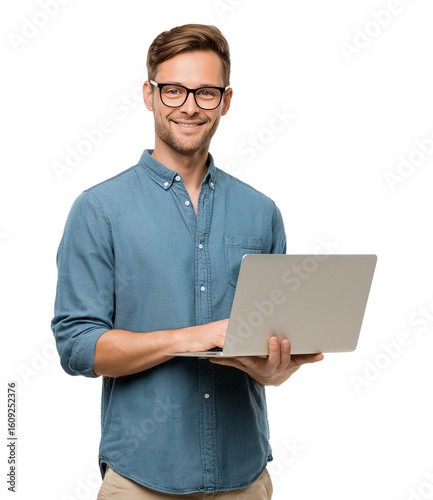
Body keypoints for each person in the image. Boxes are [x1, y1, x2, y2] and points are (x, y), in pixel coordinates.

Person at [51, 24, 324, 499]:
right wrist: (192, 338)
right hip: (140, 478)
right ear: (149, 94)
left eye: (206, 92)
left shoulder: (261, 211)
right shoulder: (99, 210)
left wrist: (275, 368)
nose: (190, 106)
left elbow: (272, 349)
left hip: (244, 475)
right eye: (174, 90)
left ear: (227, 99)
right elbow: (78, 347)